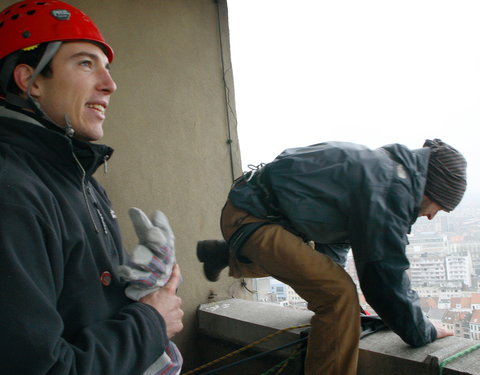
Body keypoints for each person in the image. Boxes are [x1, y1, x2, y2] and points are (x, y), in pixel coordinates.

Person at [0, 1, 183, 374]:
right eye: (86, 63)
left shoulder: (77, 176)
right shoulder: (12, 192)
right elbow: (44, 368)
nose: (110, 84)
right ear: (30, 80)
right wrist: (151, 321)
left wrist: (145, 285)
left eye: (107, 69)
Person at [197, 139, 467, 375]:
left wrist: (332, 291)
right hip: (252, 219)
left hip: (253, 212)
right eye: (439, 207)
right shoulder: (389, 189)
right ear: (431, 189)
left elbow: (334, 238)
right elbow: (384, 277)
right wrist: (423, 331)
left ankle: (222, 254)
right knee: (339, 297)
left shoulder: (384, 171)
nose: (432, 216)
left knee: (325, 279)